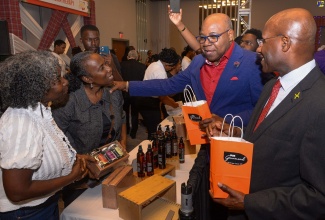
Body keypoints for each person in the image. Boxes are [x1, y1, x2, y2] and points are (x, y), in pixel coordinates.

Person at [111, 12, 263, 220]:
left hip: (240, 149)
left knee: (237, 207)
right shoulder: (199, 62)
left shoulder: (251, 62)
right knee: (212, 199)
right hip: (209, 146)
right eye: (202, 37)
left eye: (213, 37)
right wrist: (127, 85)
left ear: (230, 34)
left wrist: (229, 122)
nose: (206, 43)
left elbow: (263, 108)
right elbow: (168, 85)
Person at [203, 8, 325, 219]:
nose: (258, 49)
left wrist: (250, 203)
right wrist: (236, 133)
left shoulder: (320, 103)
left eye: (263, 41)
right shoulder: (272, 86)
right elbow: (266, 139)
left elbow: (318, 198)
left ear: (285, 43)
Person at [0, 51, 87, 219]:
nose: (65, 82)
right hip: (26, 213)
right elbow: (17, 192)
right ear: (36, 87)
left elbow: (48, 150)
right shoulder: (22, 123)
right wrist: (71, 177)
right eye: (57, 80)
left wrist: (77, 158)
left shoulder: (38, 109)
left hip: (44, 205)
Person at [52, 51, 126, 207]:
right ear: (87, 79)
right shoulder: (68, 103)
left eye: (106, 64)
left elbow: (123, 117)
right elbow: (55, 141)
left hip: (112, 167)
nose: (109, 69)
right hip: (80, 179)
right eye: (101, 68)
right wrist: (81, 161)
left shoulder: (113, 92)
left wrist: (123, 142)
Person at [136, 48, 180, 139]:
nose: (171, 69)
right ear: (168, 65)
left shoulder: (154, 64)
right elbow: (163, 97)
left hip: (144, 98)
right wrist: (175, 105)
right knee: (155, 130)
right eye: (172, 67)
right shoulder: (160, 73)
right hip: (148, 101)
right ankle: (152, 149)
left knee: (153, 128)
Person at [120, 50, 146, 139]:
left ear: (128, 56)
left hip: (124, 91)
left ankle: (126, 130)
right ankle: (133, 132)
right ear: (137, 57)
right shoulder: (142, 66)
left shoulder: (122, 65)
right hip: (137, 91)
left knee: (125, 112)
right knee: (135, 112)